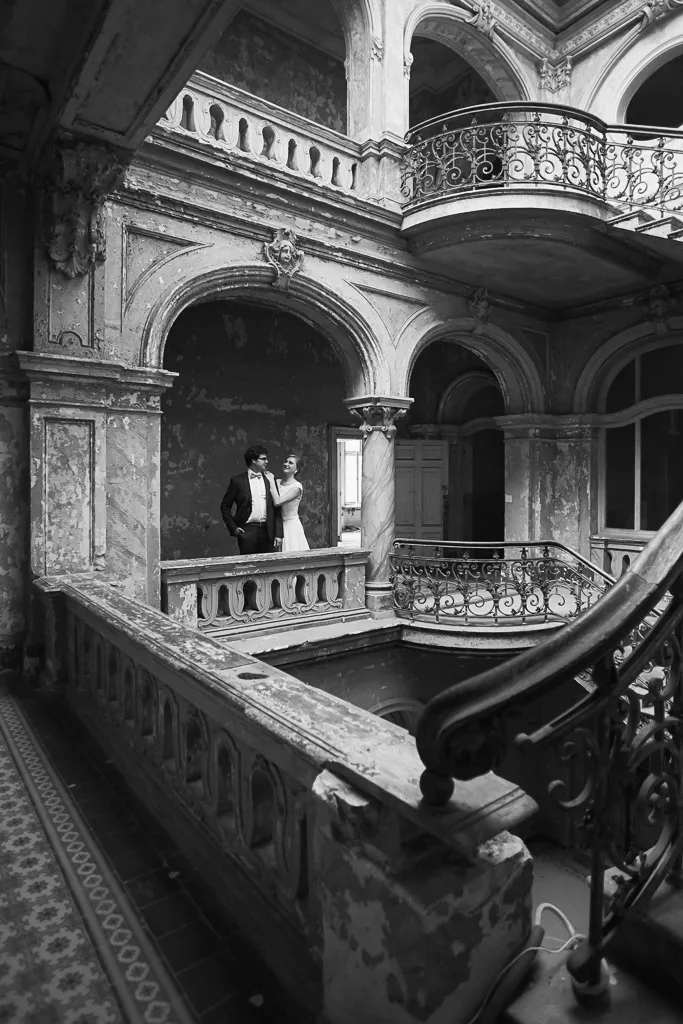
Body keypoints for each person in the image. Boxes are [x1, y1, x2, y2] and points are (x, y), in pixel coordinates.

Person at [220, 445, 283, 555]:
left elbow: (277, 508)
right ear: (253, 460)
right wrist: (234, 528)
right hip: (247, 530)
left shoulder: (269, 479)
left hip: (268, 531)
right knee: (248, 563)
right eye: (263, 459)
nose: (267, 461)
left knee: (269, 564)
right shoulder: (238, 481)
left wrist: (279, 534)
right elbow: (225, 506)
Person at [266, 454, 309, 553]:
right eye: (285, 461)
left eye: (290, 463)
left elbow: (277, 502)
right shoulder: (277, 482)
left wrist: (271, 481)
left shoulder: (297, 487)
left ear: (296, 469)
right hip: (276, 525)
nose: (286, 464)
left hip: (291, 526)